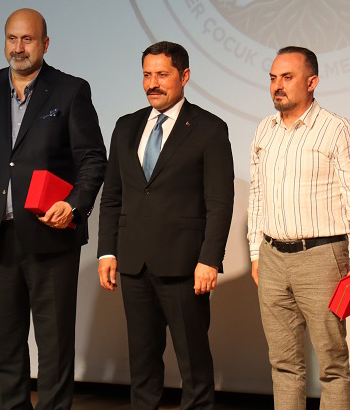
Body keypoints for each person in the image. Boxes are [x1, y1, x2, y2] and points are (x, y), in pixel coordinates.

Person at [0, 8, 107, 410]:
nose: (18, 47)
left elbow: (92, 159)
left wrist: (73, 204)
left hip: (51, 237)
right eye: (12, 38)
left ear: (45, 43)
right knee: (6, 344)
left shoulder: (70, 90)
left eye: (28, 39)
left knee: (54, 346)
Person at [97, 41, 235, 410]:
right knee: (142, 361)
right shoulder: (126, 126)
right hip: (134, 263)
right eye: (147, 75)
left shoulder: (209, 128)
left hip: (185, 265)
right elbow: (112, 196)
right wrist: (107, 250)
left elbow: (220, 202)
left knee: (193, 360)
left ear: (184, 76)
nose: (152, 83)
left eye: (161, 74)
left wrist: (210, 259)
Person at [248, 46, 350, 410]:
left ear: (312, 82)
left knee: (332, 365)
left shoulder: (336, 130)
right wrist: (256, 251)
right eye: (273, 78)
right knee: (283, 364)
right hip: (272, 256)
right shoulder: (264, 130)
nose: (277, 85)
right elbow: (258, 195)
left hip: (321, 257)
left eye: (287, 77)